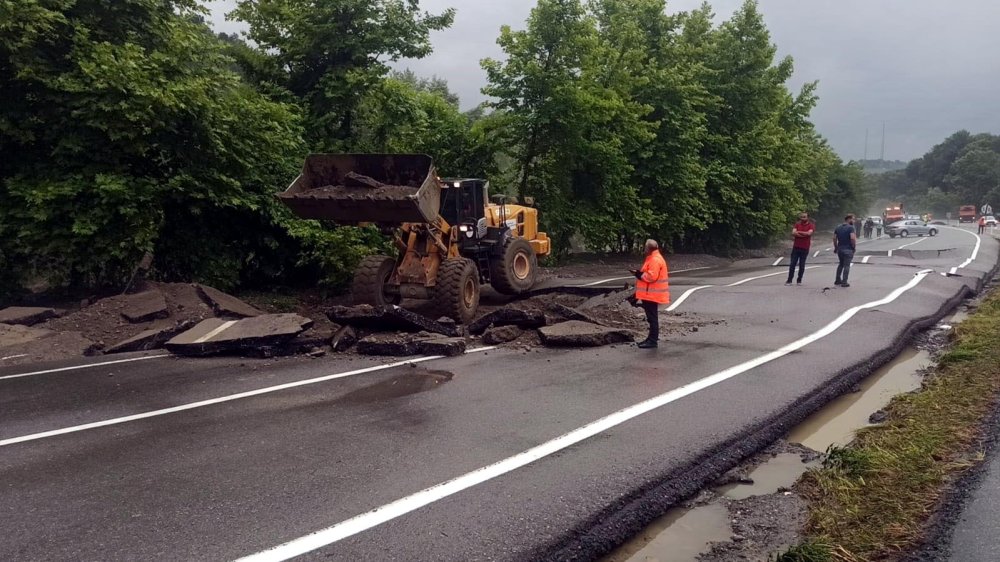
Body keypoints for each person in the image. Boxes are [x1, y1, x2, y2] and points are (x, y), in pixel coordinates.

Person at [630, 239, 670, 349]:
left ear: (648, 248)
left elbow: (651, 277)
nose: (644, 249)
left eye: (645, 247)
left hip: (651, 294)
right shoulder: (654, 258)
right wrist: (640, 273)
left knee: (652, 318)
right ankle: (651, 339)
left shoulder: (654, 260)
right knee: (651, 318)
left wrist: (639, 274)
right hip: (650, 293)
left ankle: (652, 340)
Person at [786, 212, 815, 286]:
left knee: (802, 265)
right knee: (792, 264)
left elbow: (809, 233)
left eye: (804, 217)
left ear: (808, 217)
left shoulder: (811, 225)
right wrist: (803, 234)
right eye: (801, 217)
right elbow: (793, 232)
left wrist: (798, 232)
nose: (802, 218)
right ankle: (789, 280)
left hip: (805, 247)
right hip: (796, 247)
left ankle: (799, 280)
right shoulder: (797, 224)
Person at [833, 214, 857, 288]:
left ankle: (837, 280)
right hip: (848, 249)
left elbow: (834, 238)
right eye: (853, 219)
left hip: (840, 249)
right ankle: (844, 282)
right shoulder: (851, 228)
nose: (854, 221)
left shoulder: (838, 227)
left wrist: (836, 247)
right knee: (847, 265)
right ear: (849, 219)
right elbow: (852, 238)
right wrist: (854, 247)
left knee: (841, 264)